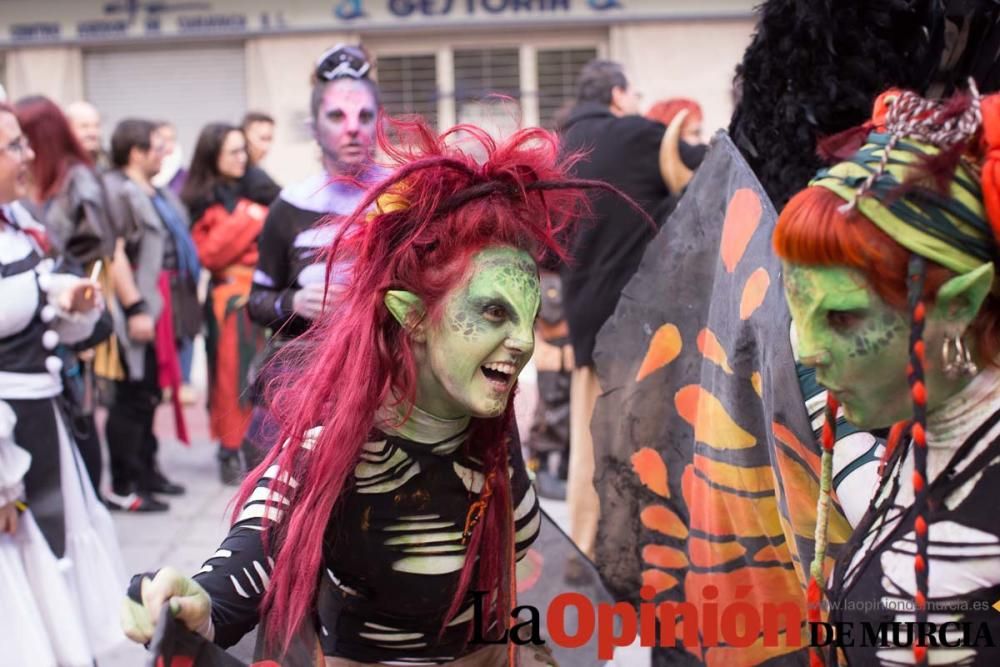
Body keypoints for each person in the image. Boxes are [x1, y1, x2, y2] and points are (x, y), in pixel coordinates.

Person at [118, 117, 625, 666]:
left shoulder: (491, 436)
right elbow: (251, 556)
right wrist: (199, 602)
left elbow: (526, 559)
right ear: (413, 318)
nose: (523, 342)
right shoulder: (330, 447)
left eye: (527, 318)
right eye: (494, 312)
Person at [775, 86, 1000, 665]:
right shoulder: (927, 427)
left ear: (959, 305)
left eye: (842, 316)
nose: (806, 349)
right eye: (796, 309)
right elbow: (886, 514)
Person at [0, 101, 126, 664]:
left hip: (42, 423)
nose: (28, 155)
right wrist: (3, 479)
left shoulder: (16, 223)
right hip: (11, 440)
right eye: (12, 147)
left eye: (24, 142)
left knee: (56, 561)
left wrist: (65, 298)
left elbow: (32, 297)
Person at [245, 44, 385, 467]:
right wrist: (293, 303)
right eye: (337, 117)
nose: (353, 129)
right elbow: (256, 300)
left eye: (364, 116)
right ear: (315, 127)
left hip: (387, 385)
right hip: (303, 385)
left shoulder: (404, 196)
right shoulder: (291, 205)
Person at [558, 58, 673, 558]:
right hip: (638, 317)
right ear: (619, 95)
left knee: (589, 440)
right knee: (642, 435)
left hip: (584, 318)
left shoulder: (559, 152)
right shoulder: (639, 136)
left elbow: (546, 245)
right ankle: (641, 548)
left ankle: (586, 546)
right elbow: (699, 173)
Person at [103, 118, 188, 512]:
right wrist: (135, 306)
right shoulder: (118, 192)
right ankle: (125, 483)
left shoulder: (152, 191)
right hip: (135, 303)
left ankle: (146, 470)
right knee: (133, 394)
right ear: (135, 152)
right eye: (156, 146)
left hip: (159, 302)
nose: (164, 152)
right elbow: (113, 253)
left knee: (150, 392)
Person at [182, 123, 267, 485]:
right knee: (230, 378)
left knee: (263, 376)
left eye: (242, 150)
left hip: (263, 298)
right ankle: (230, 448)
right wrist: (249, 218)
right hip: (229, 302)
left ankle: (256, 445)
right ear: (213, 156)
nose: (241, 158)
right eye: (232, 151)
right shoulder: (204, 200)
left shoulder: (259, 190)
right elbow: (209, 253)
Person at [64, 100, 110, 170]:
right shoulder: (62, 167)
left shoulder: (108, 162)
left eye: (96, 126)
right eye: (84, 126)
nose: (93, 133)